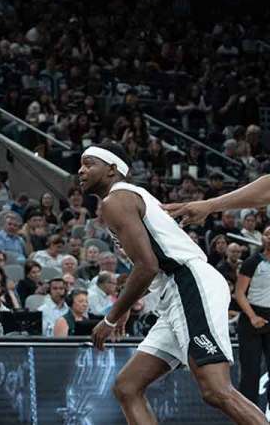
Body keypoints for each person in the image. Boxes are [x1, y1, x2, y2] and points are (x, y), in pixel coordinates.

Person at [80, 142, 262, 424]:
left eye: (89, 163)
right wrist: (126, 305)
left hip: (189, 284)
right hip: (175, 291)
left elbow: (147, 266)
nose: (81, 170)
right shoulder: (132, 196)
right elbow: (151, 263)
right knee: (127, 387)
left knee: (216, 390)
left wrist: (111, 318)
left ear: (112, 169)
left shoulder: (116, 201)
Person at [233, 225, 270, 407]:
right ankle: (247, 415)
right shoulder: (252, 262)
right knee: (250, 371)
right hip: (251, 318)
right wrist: (253, 317)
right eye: (267, 234)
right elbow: (239, 293)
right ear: (262, 238)